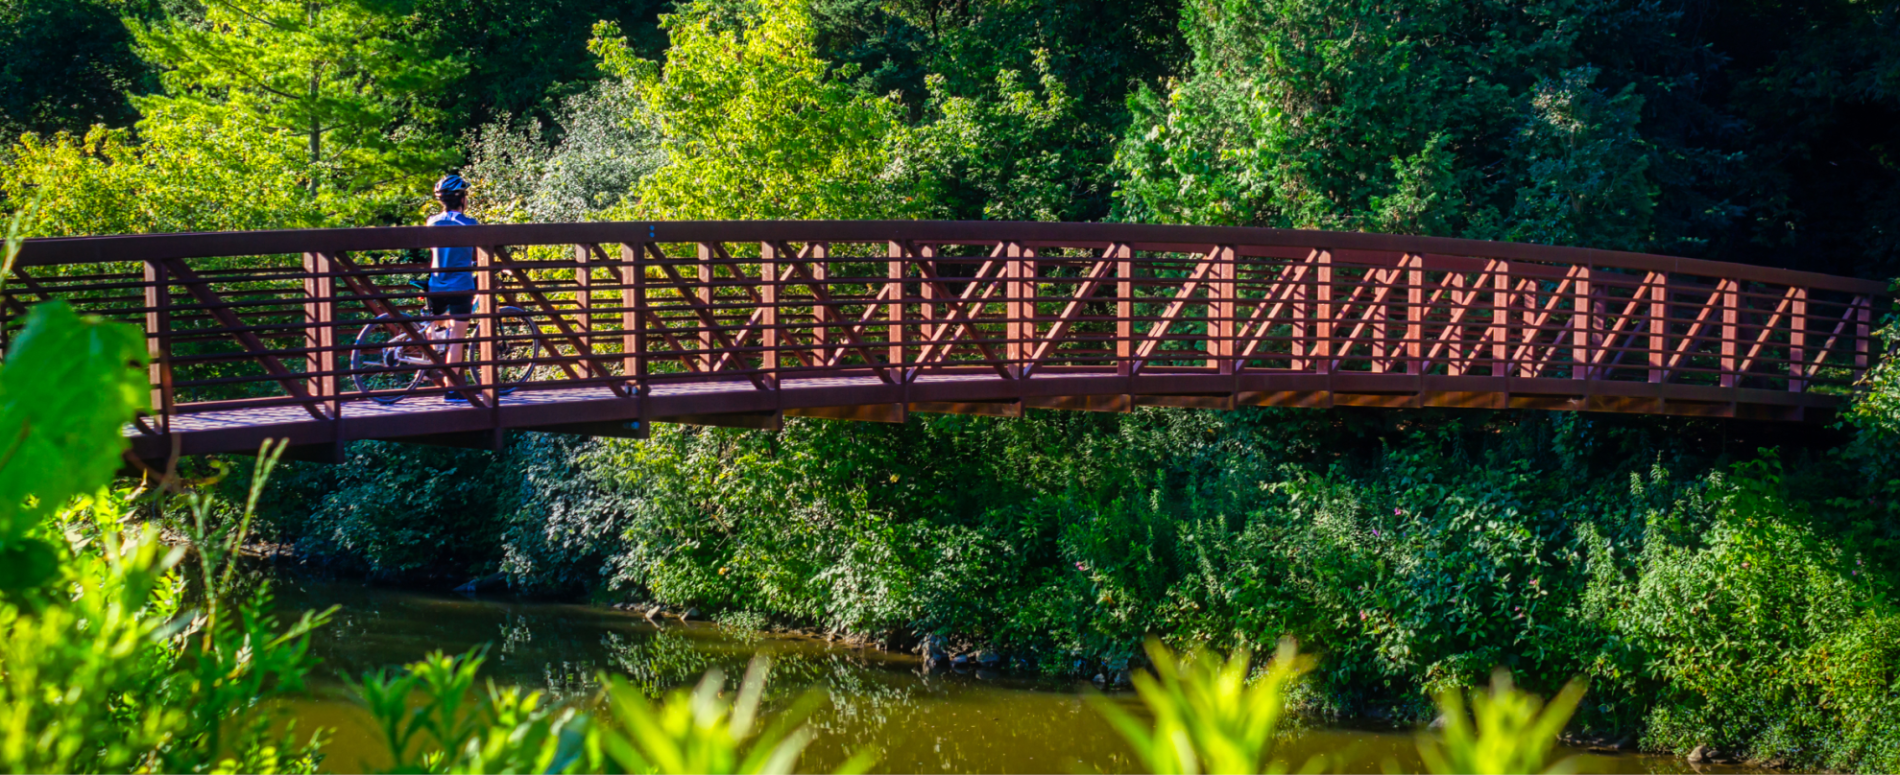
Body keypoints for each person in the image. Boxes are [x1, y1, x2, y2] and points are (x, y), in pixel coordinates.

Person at [426, 174, 480, 402]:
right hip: (460, 285)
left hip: (436, 284)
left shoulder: (432, 222)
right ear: (462, 199)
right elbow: (479, 251)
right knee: (457, 338)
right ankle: (452, 389)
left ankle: (432, 356)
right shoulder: (469, 224)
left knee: (436, 323)